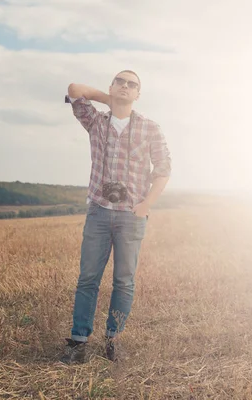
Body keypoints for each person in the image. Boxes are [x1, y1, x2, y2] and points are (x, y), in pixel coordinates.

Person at [60, 70, 172, 364]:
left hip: (131, 217)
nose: (125, 86)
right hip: (98, 212)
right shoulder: (96, 121)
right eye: (120, 82)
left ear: (138, 94)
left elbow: (163, 169)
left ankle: (113, 340)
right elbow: (74, 89)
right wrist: (108, 99)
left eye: (131, 84)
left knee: (124, 281)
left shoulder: (150, 128)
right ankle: (78, 342)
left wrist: (146, 205)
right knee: (88, 279)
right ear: (111, 87)